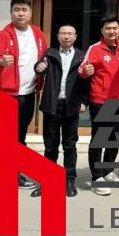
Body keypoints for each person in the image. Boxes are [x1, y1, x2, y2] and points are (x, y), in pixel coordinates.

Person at [0, 0, 48, 192]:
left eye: (24, 10)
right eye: (17, 10)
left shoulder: (38, 34)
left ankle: (15, 175)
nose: (20, 14)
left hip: (28, 93)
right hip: (6, 94)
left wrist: (45, 67)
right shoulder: (3, 34)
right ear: (11, 12)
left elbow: (44, 58)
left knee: (20, 139)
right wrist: (0, 62)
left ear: (30, 12)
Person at [30, 25, 87, 198]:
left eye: (70, 33)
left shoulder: (82, 56)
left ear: (75, 37)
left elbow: (87, 81)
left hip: (71, 105)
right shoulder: (50, 53)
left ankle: (69, 181)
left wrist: (84, 101)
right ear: (58, 36)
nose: (66, 36)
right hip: (52, 105)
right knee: (50, 146)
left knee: (70, 146)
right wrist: (39, 67)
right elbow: (39, 66)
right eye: (63, 33)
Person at [79, 15, 119, 196]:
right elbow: (81, 70)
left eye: (114, 28)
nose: (112, 31)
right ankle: (96, 177)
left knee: (115, 139)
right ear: (102, 31)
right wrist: (86, 71)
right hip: (101, 101)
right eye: (108, 28)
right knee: (99, 139)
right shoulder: (95, 49)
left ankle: (108, 171)